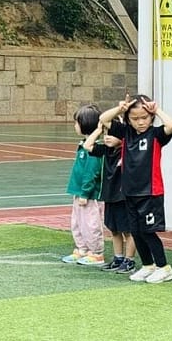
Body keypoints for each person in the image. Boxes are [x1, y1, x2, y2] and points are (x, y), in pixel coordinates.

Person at [99, 94, 172, 283]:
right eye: (135, 118)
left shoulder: (156, 135)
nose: (140, 122)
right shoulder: (125, 132)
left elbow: (171, 125)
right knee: (136, 231)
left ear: (151, 117)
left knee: (148, 231)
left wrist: (157, 110)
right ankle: (148, 265)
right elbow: (104, 119)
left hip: (150, 192)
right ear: (128, 119)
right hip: (129, 192)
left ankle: (164, 267)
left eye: (145, 117)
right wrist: (120, 109)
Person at [84, 120, 137, 274]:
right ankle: (118, 258)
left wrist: (123, 124)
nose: (107, 137)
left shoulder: (128, 150)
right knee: (114, 229)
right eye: (106, 134)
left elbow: (130, 135)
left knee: (128, 230)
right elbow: (88, 145)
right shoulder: (107, 150)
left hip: (123, 196)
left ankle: (129, 260)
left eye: (112, 135)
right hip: (110, 195)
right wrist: (99, 130)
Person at [62, 104, 105, 266]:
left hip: (89, 195)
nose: (75, 125)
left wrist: (85, 192)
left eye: (77, 122)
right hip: (78, 192)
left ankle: (96, 252)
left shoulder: (94, 148)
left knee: (91, 224)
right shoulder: (82, 145)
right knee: (77, 222)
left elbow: (91, 172)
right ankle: (82, 248)